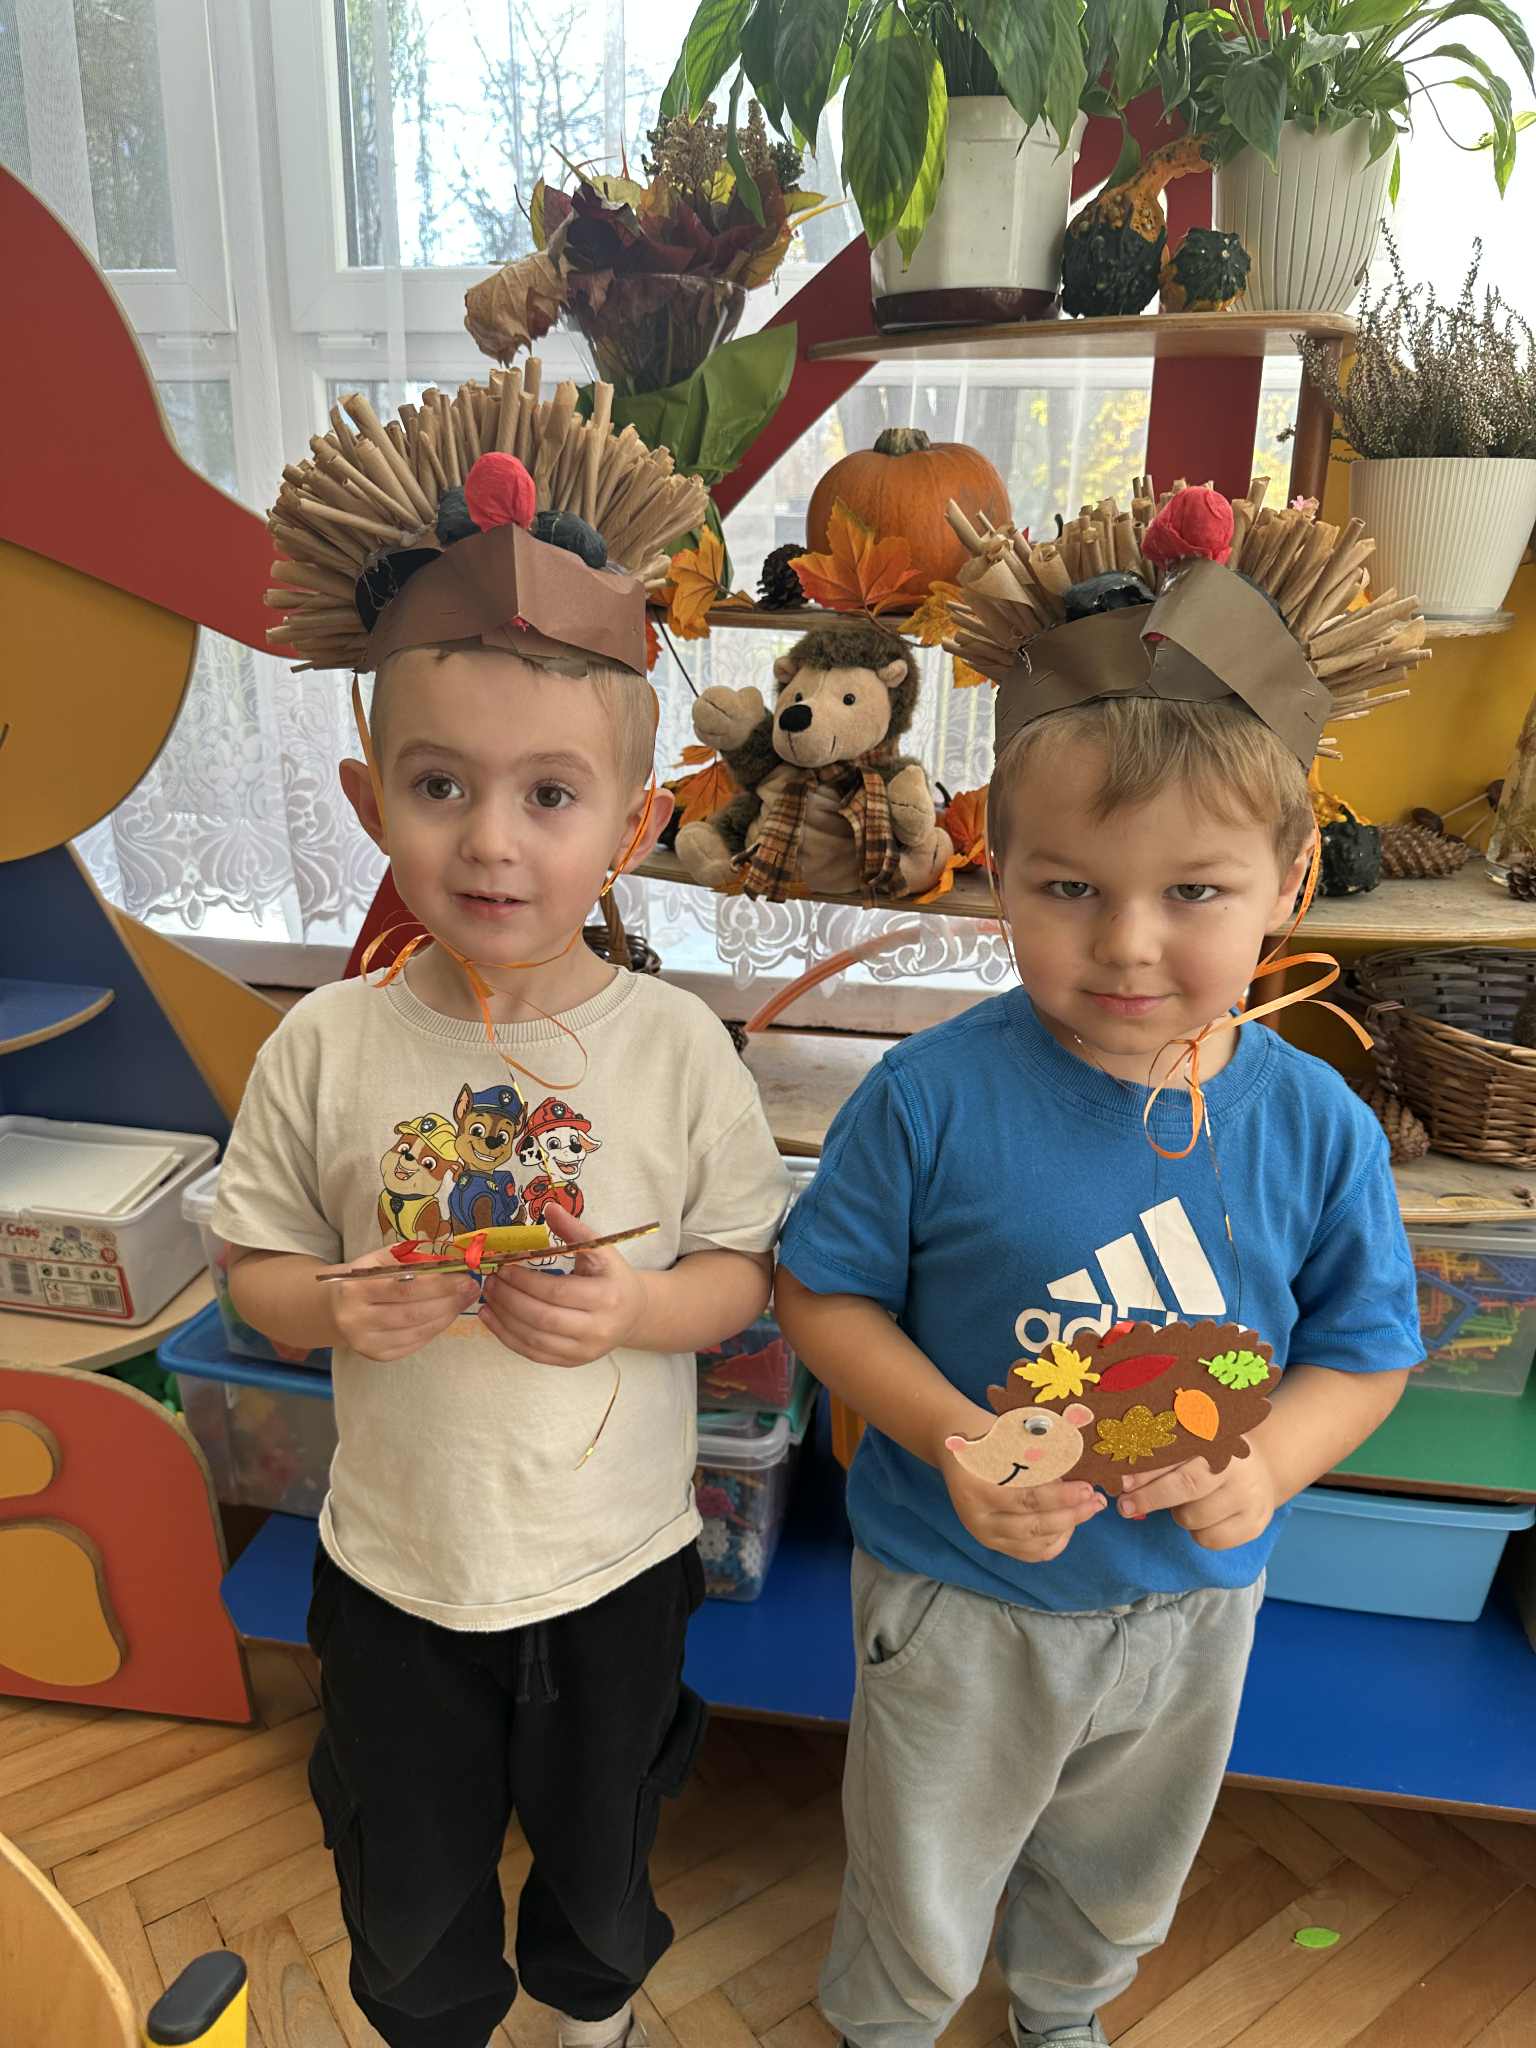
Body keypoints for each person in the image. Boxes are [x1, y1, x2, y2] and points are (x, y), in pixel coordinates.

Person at [775, 486, 1423, 2048]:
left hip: (1195, 1602)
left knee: (1128, 1868)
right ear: (996, 866)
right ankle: (890, 2022)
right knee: (921, 1872)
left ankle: (1064, 2008)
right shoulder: (929, 1098)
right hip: (963, 1591)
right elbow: (821, 1296)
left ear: (1289, 882)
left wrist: (1270, 1467)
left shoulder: (1318, 1124)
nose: (1128, 944)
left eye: (1193, 893)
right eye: (1070, 888)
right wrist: (959, 1438)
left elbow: (1367, 1351)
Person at [216, 377, 791, 2048]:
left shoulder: (675, 1048)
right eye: (439, 786)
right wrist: (332, 1303)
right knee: (403, 1884)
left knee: (605, 1865)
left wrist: (635, 1311)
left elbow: (740, 1275)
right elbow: (252, 1269)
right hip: (395, 1576)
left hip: (616, 1571)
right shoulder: (326, 1045)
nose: (491, 844)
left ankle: (592, 2012)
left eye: (550, 795)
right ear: (367, 798)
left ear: (635, 823)